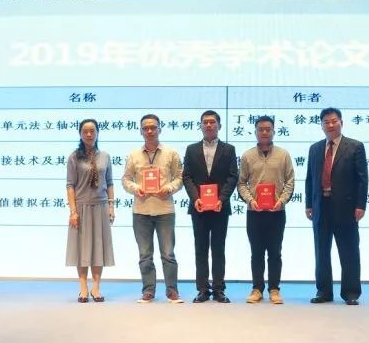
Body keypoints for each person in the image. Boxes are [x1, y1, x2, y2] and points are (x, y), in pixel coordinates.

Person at [304, 107, 368, 305]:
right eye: (326, 122)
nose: (330, 125)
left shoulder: (355, 146)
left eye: (334, 121)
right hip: (320, 206)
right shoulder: (315, 149)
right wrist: (309, 204)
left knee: (349, 251)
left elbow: (362, 179)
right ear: (321, 125)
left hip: (346, 207)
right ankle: (323, 291)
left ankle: (351, 292)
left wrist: (360, 205)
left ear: (341, 123)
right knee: (321, 252)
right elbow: (310, 178)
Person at [122, 113, 184, 303]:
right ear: (141, 131)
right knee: (145, 255)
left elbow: (180, 178)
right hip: (141, 211)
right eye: (145, 128)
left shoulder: (171, 153)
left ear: (159, 129)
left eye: (153, 127)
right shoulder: (133, 155)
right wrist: (135, 188)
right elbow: (126, 179)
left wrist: (169, 188)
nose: (149, 131)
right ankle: (148, 291)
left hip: (165, 210)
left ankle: (172, 291)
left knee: (168, 254)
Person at [237, 115, 295, 305]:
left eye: (268, 129)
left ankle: (274, 289)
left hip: (277, 213)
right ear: (255, 132)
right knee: (256, 253)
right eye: (260, 129)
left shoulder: (283, 155)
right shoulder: (247, 156)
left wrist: (281, 201)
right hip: (254, 213)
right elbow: (241, 183)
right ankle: (257, 289)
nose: (264, 132)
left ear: (273, 131)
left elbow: (290, 181)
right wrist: (251, 200)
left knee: (275, 253)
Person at [183, 110, 238, 303]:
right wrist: (195, 198)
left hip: (220, 207)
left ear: (219, 126)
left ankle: (219, 289)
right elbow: (187, 176)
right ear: (200, 126)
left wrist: (221, 199)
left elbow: (233, 176)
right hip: (198, 207)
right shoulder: (191, 149)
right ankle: (203, 289)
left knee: (218, 249)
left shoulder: (229, 149)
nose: (208, 125)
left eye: (212, 122)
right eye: (205, 122)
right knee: (200, 249)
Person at [66, 119, 115, 302]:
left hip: (101, 206)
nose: (89, 134)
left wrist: (111, 206)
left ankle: (96, 288)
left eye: (92, 131)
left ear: (97, 133)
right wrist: (73, 211)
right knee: (81, 248)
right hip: (81, 207)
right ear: (80, 134)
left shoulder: (105, 156)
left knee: (98, 247)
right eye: (85, 131)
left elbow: (110, 183)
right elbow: (70, 185)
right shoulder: (74, 157)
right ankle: (83, 289)